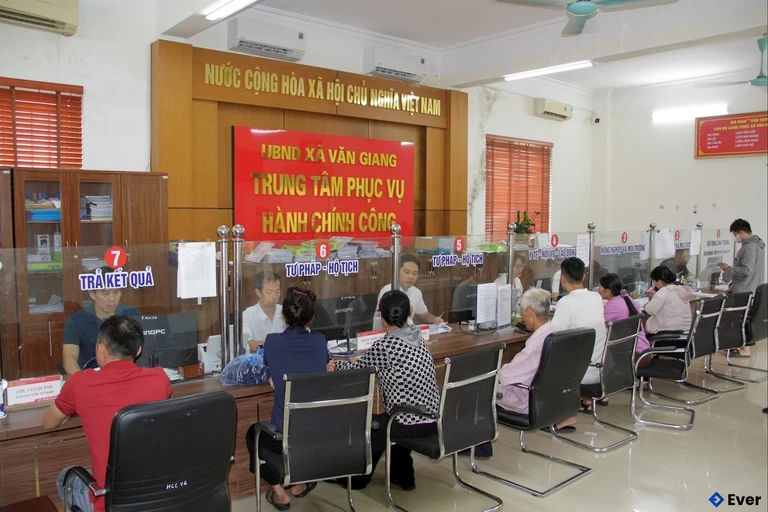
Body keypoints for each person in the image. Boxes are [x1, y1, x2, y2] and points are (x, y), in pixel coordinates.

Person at [43, 316, 172, 512]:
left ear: (101, 349)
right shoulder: (160, 378)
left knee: (65, 477)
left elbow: (49, 423)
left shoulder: (80, 384)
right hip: (153, 495)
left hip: (107, 502)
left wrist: (77, 405)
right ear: (138, 351)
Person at [331, 290, 440, 491]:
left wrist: (334, 365)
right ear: (409, 313)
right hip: (432, 418)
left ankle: (356, 481)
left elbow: (358, 369)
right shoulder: (417, 336)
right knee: (389, 419)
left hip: (408, 422)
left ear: (382, 317)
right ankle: (404, 477)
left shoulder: (388, 345)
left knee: (372, 425)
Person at [246, 287, 327, 510]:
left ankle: (280, 494)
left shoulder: (272, 342)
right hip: (318, 432)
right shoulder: (320, 342)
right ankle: (299, 483)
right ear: (311, 318)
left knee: (253, 435)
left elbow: (273, 366)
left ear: (284, 316)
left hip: (283, 434)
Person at [550, 257, 607, 430]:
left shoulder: (566, 303)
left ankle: (563, 416)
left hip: (578, 374)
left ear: (562, 279)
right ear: (584, 277)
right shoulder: (596, 297)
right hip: (601, 369)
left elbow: (552, 337)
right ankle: (582, 401)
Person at [63, 267, 140, 374]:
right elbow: (69, 359)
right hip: (91, 376)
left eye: (116, 292)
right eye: (105, 294)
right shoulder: (76, 321)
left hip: (126, 376)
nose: (112, 299)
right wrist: (83, 383)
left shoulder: (131, 314)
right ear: (92, 294)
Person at [498, 288, 562, 414]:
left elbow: (506, 376)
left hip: (527, 401)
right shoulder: (560, 332)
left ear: (529, 312)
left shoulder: (537, 343)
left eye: (521, 310)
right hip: (553, 398)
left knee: (481, 388)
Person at [719, 219, 765, 358]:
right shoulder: (758, 245)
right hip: (749, 286)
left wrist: (729, 269)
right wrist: (733, 285)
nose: (735, 237)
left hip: (745, 290)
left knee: (741, 319)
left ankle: (744, 349)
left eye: (735, 234)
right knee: (742, 318)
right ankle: (740, 346)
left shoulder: (750, 247)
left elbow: (746, 270)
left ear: (742, 232)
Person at [372, 254, 444, 329]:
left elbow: (424, 315)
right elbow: (390, 322)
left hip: (405, 334)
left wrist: (436, 319)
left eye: (414, 273)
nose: (410, 277)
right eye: (407, 272)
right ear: (397, 271)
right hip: (384, 335)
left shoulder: (416, 292)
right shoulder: (388, 291)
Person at [598, 273, 652, 372]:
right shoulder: (627, 299)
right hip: (644, 351)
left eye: (599, 287)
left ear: (607, 291)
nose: (598, 289)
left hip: (633, 355)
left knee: (598, 347)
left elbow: (597, 324)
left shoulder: (612, 306)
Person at [644, 266, 696, 338]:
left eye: (654, 282)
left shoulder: (663, 292)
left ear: (659, 281)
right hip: (685, 337)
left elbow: (650, 310)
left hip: (666, 337)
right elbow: (670, 300)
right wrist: (656, 295)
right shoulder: (680, 289)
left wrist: (646, 304)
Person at [242, 271, 286, 354]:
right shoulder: (248, 315)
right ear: (258, 292)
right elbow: (248, 344)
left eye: (277, 291)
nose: (274, 296)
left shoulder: (286, 311)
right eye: (269, 292)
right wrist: (278, 344)